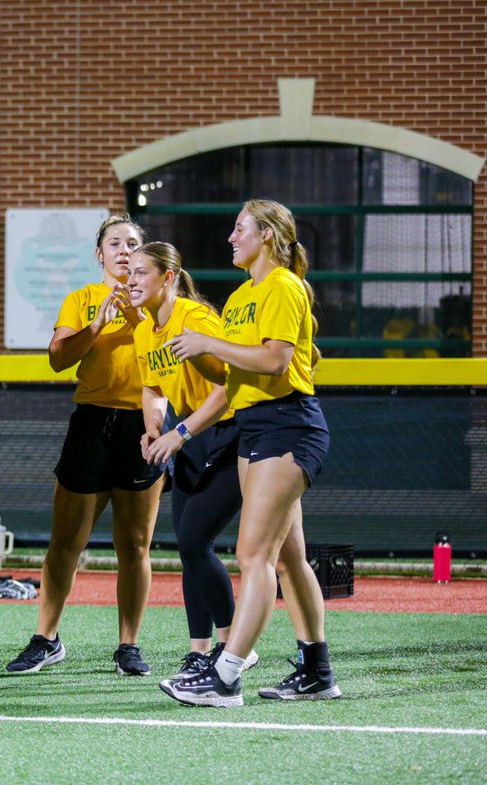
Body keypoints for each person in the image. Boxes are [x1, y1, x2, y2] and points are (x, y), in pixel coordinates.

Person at [160, 199, 340, 707]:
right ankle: (316, 670)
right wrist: (184, 422)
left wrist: (209, 346)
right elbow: (235, 381)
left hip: (289, 424)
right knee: (287, 557)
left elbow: (276, 361)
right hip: (256, 426)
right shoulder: (241, 295)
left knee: (252, 554)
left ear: (266, 235)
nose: (231, 237)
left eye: (240, 229)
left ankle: (226, 674)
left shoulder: (282, 285)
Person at [6, 215, 165, 675]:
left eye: (132, 244)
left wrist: (140, 317)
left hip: (142, 425)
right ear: (99, 254)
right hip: (92, 423)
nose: (123, 250)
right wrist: (97, 325)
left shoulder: (158, 302)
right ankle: (46, 638)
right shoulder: (81, 300)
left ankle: (128, 645)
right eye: (114, 243)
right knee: (65, 542)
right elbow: (58, 359)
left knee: (134, 545)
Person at [127, 242, 258, 679]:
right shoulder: (145, 328)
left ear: (168, 277)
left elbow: (229, 388)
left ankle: (234, 647)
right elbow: (153, 389)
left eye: (141, 272)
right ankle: (200, 653)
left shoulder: (195, 318)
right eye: (129, 272)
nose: (131, 280)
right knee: (189, 546)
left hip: (230, 431)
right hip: (191, 435)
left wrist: (179, 433)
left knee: (194, 541)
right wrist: (154, 427)